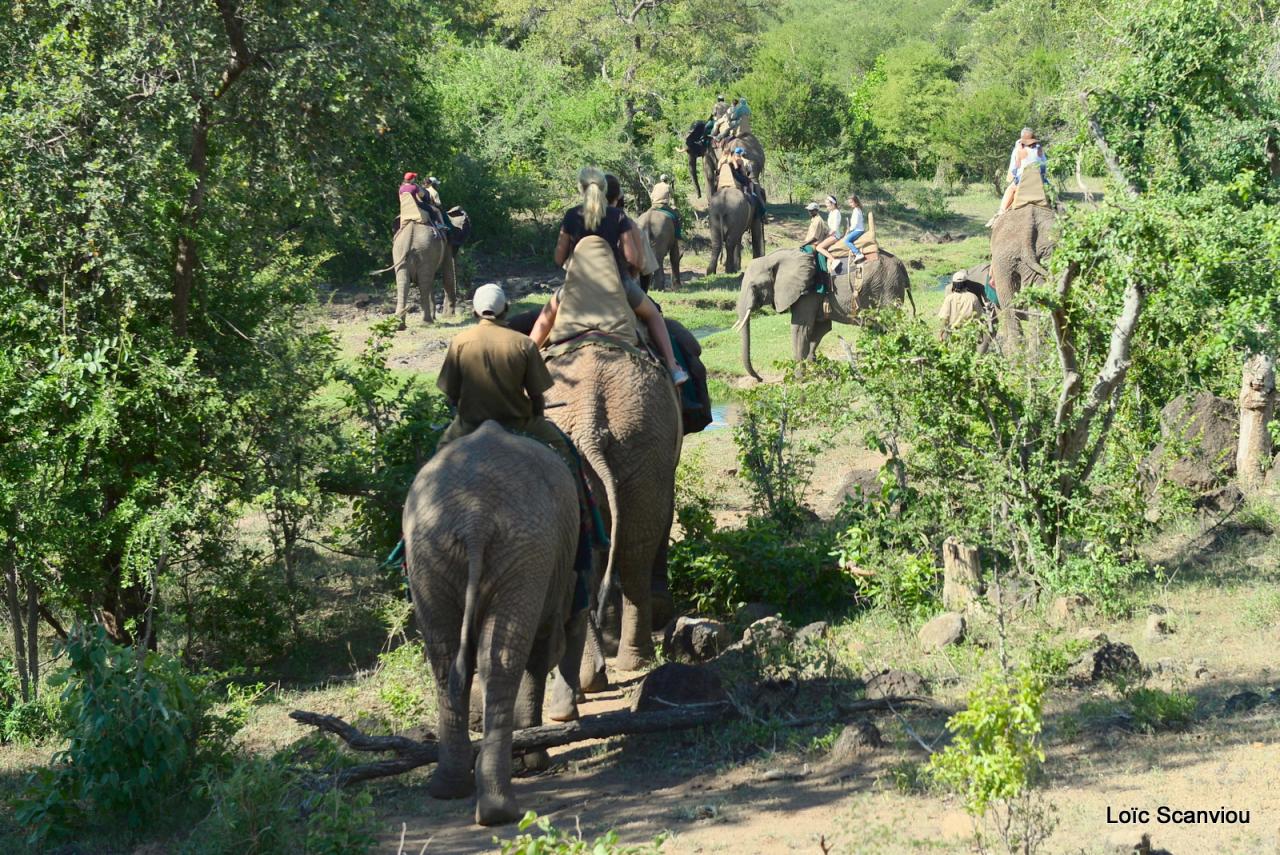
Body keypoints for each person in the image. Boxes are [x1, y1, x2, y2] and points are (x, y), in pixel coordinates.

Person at [543, 167, 688, 385]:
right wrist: (631, 266)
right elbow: (633, 259)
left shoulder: (571, 215)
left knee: (544, 320)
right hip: (618, 283)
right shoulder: (618, 216)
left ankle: (525, 361)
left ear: (581, 188)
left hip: (577, 287)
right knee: (653, 316)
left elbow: (558, 258)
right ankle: (672, 365)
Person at [987, 130, 1048, 227]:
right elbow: (1045, 166)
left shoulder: (1017, 151)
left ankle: (1000, 213)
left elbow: (1013, 170)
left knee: (1010, 189)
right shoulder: (1040, 150)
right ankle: (1062, 212)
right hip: (1039, 180)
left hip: (1022, 181)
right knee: (1053, 193)